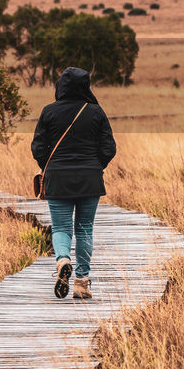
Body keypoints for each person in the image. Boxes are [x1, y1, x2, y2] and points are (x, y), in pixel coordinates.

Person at [30, 67, 116, 299]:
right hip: (90, 179)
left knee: (61, 228)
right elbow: (109, 148)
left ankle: (62, 260)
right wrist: (95, 166)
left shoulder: (49, 112)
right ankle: (81, 282)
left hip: (57, 179)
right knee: (84, 229)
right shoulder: (96, 112)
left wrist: (49, 165)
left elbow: (37, 147)